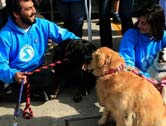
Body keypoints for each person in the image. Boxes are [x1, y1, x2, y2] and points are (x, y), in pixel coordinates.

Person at [0, 0, 80, 99]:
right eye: (28, 9)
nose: (34, 11)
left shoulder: (42, 24)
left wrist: (82, 47)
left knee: (55, 79)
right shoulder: (4, 35)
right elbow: (1, 64)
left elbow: (68, 37)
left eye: (33, 7)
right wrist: (13, 75)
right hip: (16, 77)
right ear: (16, 14)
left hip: (37, 71)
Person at [119, 4, 166, 78]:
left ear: (155, 25)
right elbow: (127, 64)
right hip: (137, 79)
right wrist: (146, 77)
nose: (139, 25)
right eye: (139, 21)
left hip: (158, 78)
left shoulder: (163, 36)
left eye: (143, 23)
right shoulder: (130, 35)